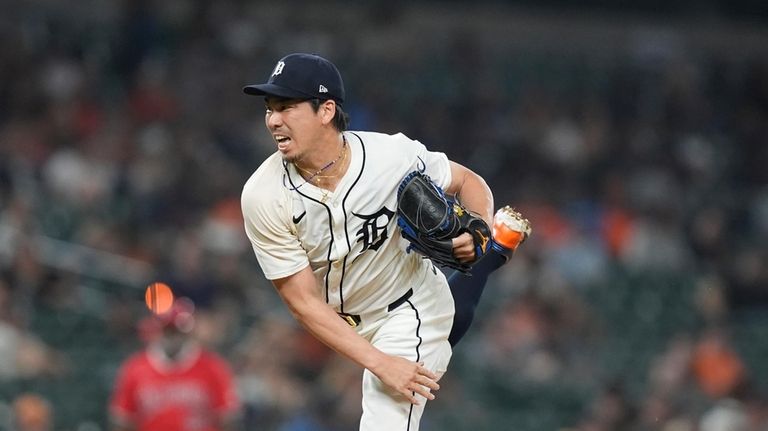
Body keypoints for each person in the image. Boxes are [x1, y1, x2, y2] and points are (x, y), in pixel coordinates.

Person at [240, 53, 528, 430]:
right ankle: (491, 258)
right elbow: (303, 303)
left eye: (286, 106)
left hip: (410, 306)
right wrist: (377, 360)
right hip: (347, 324)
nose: (273, 119)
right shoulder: (263, 195)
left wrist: (477, 225)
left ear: (326, 111)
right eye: (269, 108)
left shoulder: (389, 156)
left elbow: (467, 181)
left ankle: (488, 253)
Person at [109, 298, 241, 431]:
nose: (173, 337)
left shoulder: (213, 367)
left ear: (188, 333)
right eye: (168, 331)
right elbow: (123, 419)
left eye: (177, 332)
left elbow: (227, 418)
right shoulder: (135, 368)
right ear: (158, 331)